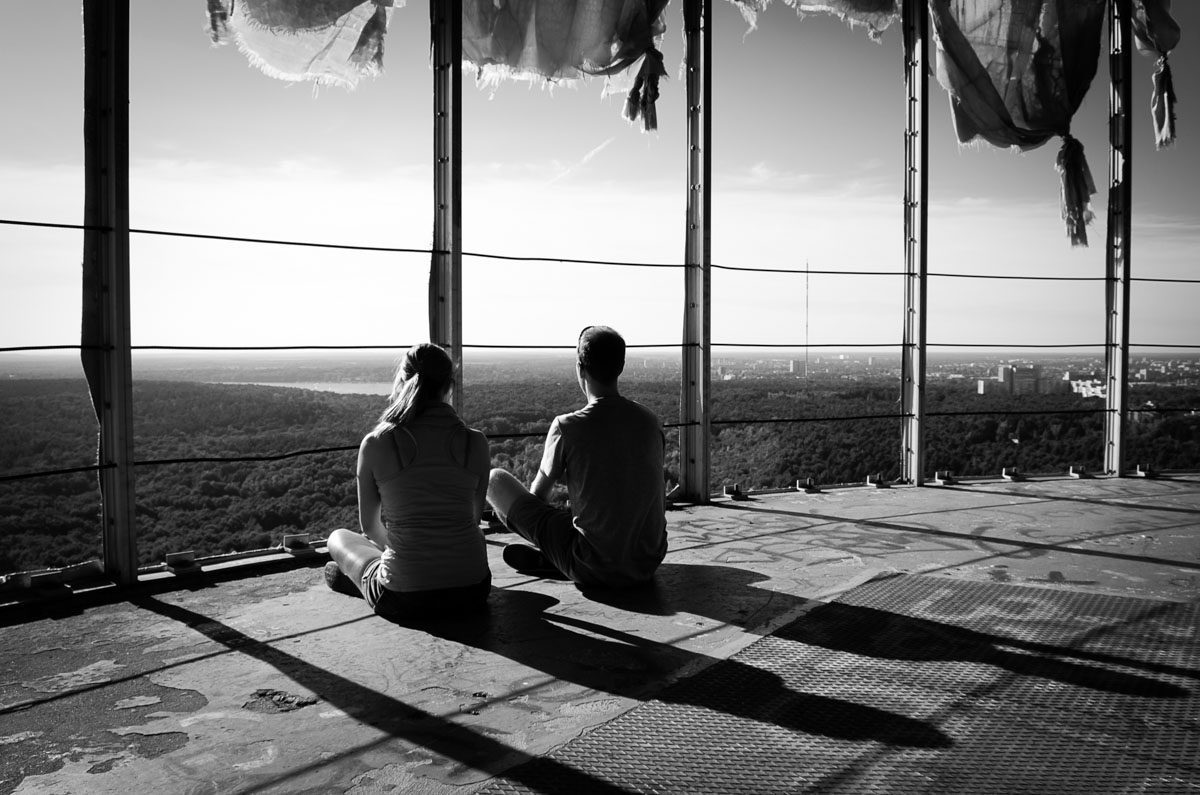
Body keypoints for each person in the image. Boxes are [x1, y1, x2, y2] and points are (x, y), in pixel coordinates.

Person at [487, 325, 667, 589]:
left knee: (495, 481)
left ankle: (562, 560)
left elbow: (536, 499)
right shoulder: (651, 421)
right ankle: (563, 558)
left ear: (580, 368)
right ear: (621, 365)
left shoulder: (567, 426)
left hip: (593, 563)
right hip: (647, 561)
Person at [325, 343, 491, 618]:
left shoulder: (377, 443)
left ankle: (363, 577)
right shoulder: (476, 442)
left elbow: (369, 526)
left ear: (402, 380)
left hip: (404, 597)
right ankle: (370, 575)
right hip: (473, 590)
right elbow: (473, 520)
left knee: (338, 538)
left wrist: (410, 553)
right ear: (449, 385)